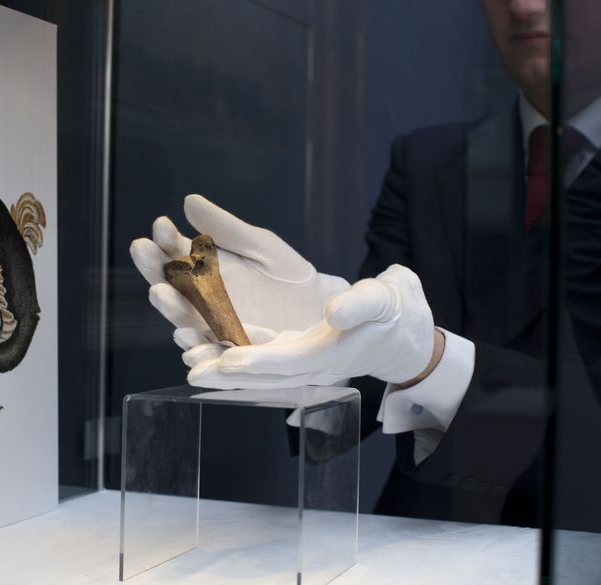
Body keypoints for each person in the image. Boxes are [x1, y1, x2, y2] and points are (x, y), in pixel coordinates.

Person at [130, 0, 601, 527]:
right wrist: (318, 332)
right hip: (413, 530)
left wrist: (430, 360)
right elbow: (376, 343)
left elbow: (409, 348)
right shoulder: (427, 162)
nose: (524, 5)